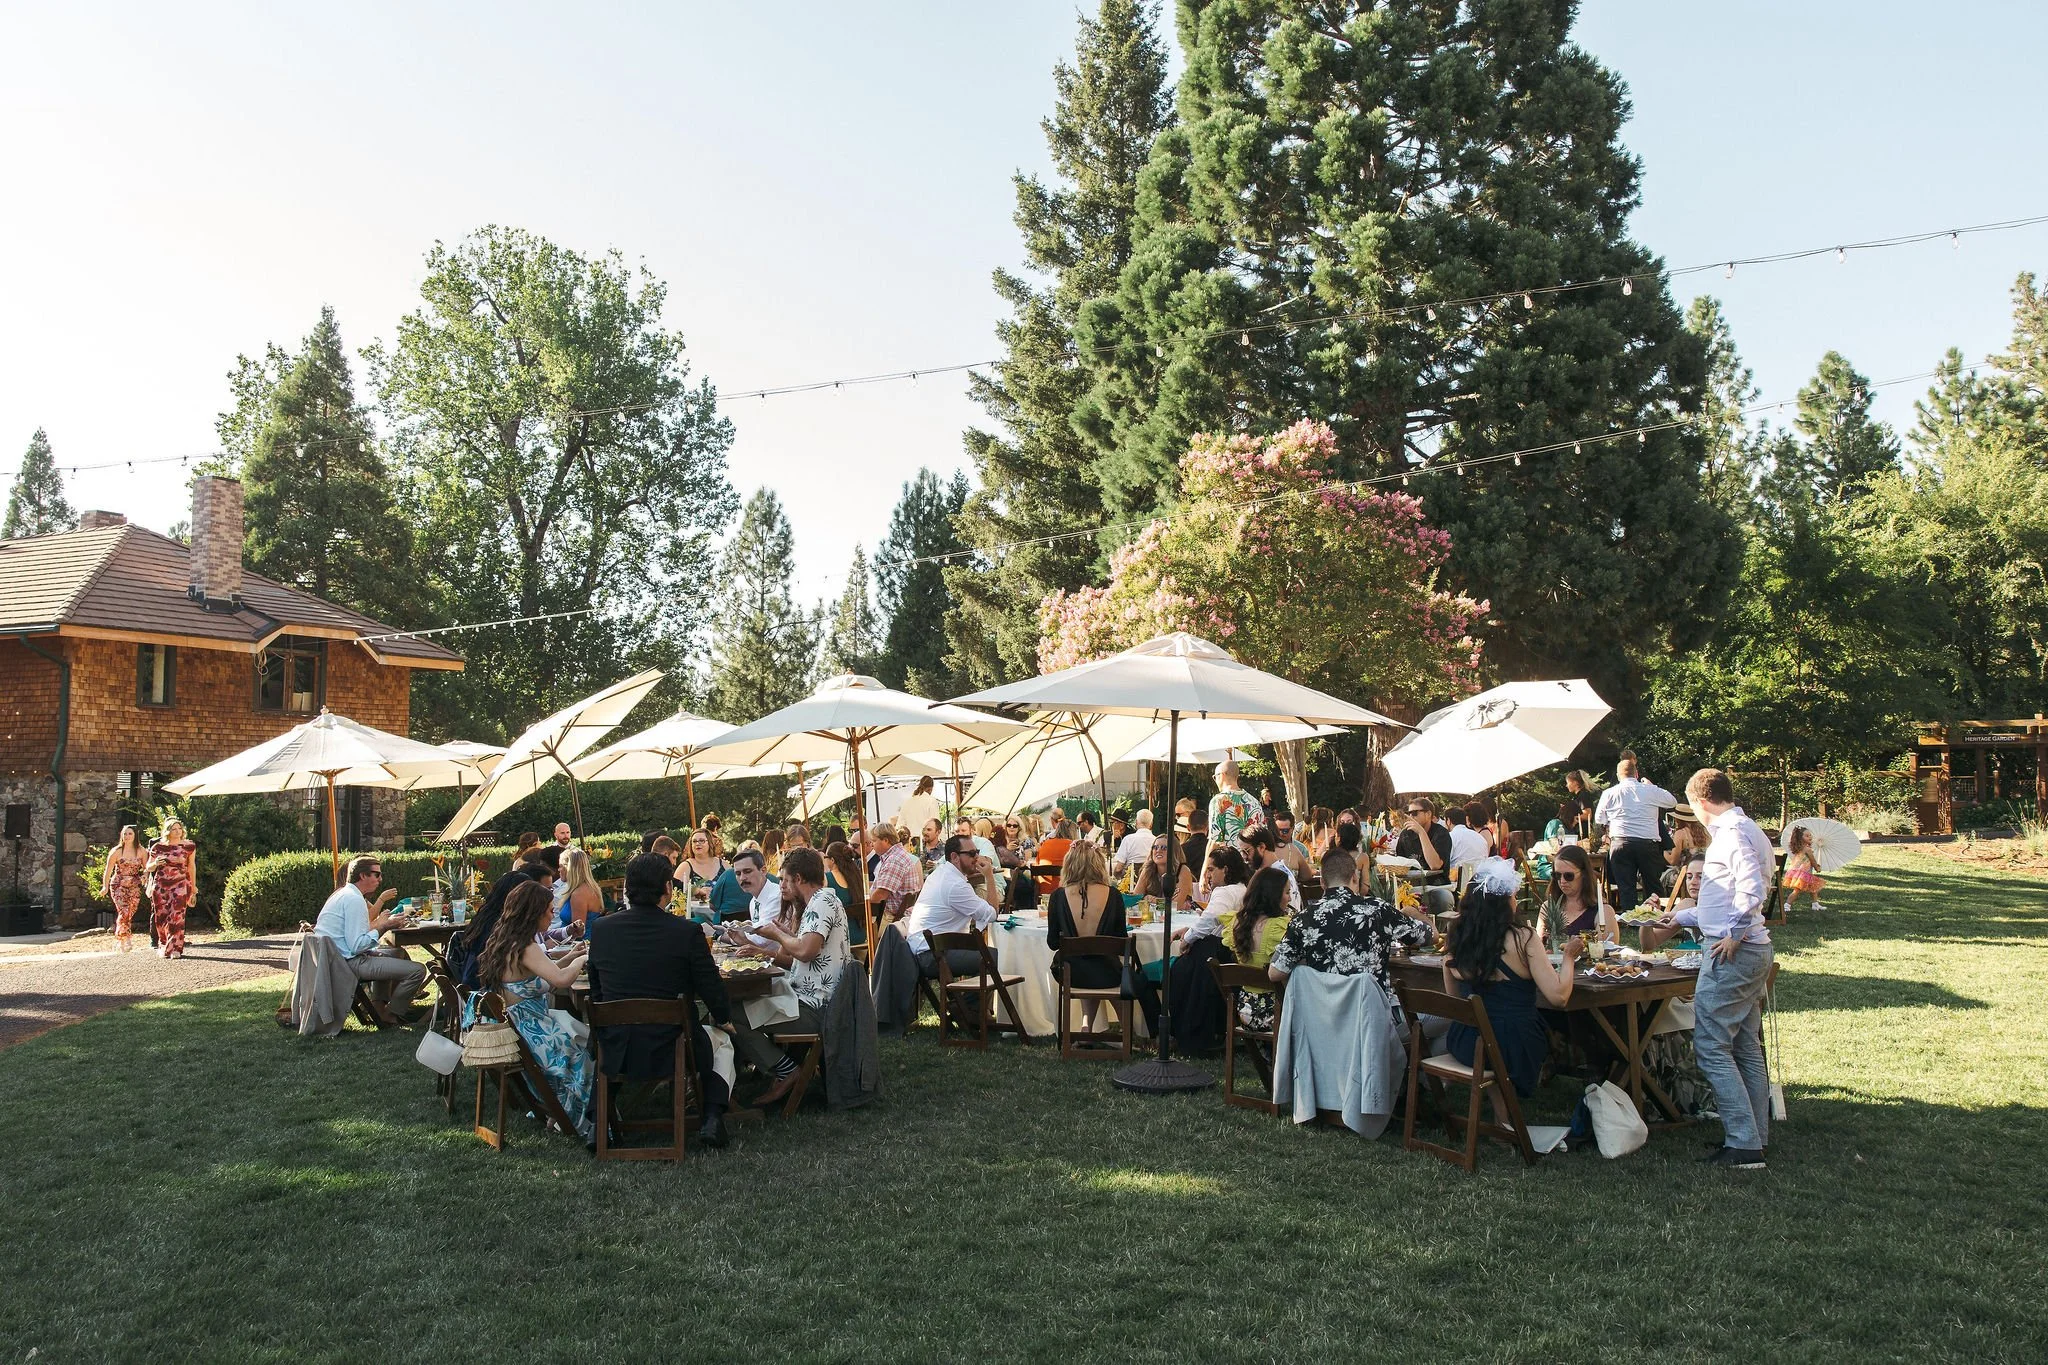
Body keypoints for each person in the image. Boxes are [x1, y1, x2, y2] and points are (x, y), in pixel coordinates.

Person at [1654, 768, 1776, 1169]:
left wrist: (1736, 932)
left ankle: (1743, 1142)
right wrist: (1679, 920)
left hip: (1734, 952)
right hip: (1746, 947)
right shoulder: (1749, 828)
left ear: (1700, 802)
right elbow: (1725, 898)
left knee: (1709, 1045)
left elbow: (1751, 889)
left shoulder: (1732, 833)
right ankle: (1755, 1135)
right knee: (1742, 1044)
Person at [587, 852, 736, 1149]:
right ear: (668, 887)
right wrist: (723, 1017)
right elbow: (710, 987)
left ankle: (598, 1123)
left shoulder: (602, 930)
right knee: (723, 1042)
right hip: (675, 1046)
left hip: (618, 1046)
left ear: (628, 887)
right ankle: (711, 1117)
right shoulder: (686, 932)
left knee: (612, 1045)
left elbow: (597, 988)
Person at [1442, 859, 1581, 1109]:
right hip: (1513, 1045)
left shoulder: (1458, 936)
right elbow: (1559, 997)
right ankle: (1505, 1116)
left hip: (1466, 1041)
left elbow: (1455, 1003)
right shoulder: (1522, 938)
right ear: (1503, 903)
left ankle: (1502, 1115)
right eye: (1513, 897)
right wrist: (1569, 957)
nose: (1516, 902)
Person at [469, 881, 594, 1142]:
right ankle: (570, 1116)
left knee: (580, 1040)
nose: (552, 915)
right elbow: (560, 981)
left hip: (520, 1025)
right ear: (534, 912)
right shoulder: (526, 946)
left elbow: (543, 971)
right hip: (533, 1031)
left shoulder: (508, 940)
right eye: (549, 910)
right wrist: (583, 960)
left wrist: (571, 955)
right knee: (585, 1056)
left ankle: (556, 1112)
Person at [734, 847, 852, 1108]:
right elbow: (801, 959)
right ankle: (780, 1067)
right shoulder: (818, 902)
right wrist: (766, 950)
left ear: (798, 878)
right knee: (738, 1005)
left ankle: (785, 1070)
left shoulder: (821, 902)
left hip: (816, 1009)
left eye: (785, 880)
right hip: (809, 999)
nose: (781, 886)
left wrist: (777, 936)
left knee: (730, 1013)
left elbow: (807, 952)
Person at [1267, 849, 1433, 1027]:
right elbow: (1430, 937)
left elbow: (1274, 972)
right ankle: (1415, 1054)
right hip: (1373, 1022)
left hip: (1325, 1023)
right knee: (1450, 1020)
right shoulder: (1378, 909)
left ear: (1322, 882)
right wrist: (1412, 912)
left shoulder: (1303, 919)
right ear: (1355, 877)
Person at [315, 854, 429, 1020]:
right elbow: (357, 946)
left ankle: (378, 1007)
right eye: (377, 874)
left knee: (396, 953)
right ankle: (391, 1014)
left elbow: (352, 939)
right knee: (418, 970)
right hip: (347, 964)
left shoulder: (343, 894)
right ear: (362, 876)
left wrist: (382, 927)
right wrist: (384, 926)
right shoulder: (354, 899)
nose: (380, 879)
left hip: (336, 959)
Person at [1043, 840, 1128, 1033]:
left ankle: (1086, 1029)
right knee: (1101, 964)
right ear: (1098, 864)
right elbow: (1121, 940)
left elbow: (1052, 942)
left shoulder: (1058, 896)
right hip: (1109, 973)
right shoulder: (1113, 895)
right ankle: (1126, 1029)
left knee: (1084, 962)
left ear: (1069, 863)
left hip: (1072, 974)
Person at [452, 846, 558, 988]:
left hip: (478, 988)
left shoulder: (488, 918)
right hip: (486, 994)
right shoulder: (499, 926)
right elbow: (519, 957)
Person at [897, 835, 999, 980]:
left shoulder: (942, 874)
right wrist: (989, 877)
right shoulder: (955, 884)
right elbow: (992, 914)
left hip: (924, 950)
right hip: (931, 957)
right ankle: (966, 1003)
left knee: (987, 955)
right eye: (971, 853)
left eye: (977, 851)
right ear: (954, 857)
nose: (976, 857)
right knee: (993, 957)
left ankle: (963, 1001)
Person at [1216, 867, 1292, 1030]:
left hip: (1245, 1011)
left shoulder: (1237, 923)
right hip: (1275, 1012)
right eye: (1287, 892)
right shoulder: (1278, 928)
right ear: (1274, 895)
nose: (1290, 898)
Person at [1178, 845, 1250, 948]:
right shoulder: (1243, 889)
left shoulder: (1225, 891)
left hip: (1217, 953)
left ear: (1225, 870)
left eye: (1211, 870)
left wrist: (1187, 939)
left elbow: (1213, 917)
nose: (1207, 875)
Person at [145, 818, 197, 959]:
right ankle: (163, 944)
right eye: (174, 829)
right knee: (161, 917)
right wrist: (155, 863)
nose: (177, 831)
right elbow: (148, 867)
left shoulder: (189, 846)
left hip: (180, 883)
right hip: (161, 884)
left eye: (179, 828)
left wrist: (193, 886)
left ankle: (176, 948)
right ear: (168, 831)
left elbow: (191, 866)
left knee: (177, 915)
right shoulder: (158, 847)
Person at [1541, 844, 1614, 945]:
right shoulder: (1548, 907)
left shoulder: (1603, 911)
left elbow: (1607, 952)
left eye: (1568, 876)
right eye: (1557, 875)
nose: (1562, 881)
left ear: (1584, 874)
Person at [866, 823, 924, 930]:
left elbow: (880, 895)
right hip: (896, 915)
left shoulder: (894, 860)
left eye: (874, 841)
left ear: (886, 840)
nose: (872, 845)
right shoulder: (896, 855)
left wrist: (863, 904)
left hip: (891, 918)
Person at [1236, 824, 1303, 910]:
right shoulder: (1271, 872)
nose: (1244, 857)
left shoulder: (1279, 876)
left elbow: (1288, 913)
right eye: (1242, 852)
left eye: (1246, 851)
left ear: (1261, 847)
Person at [1393, 797, 1453, 890]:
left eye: (1414, 813)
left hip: (1437, 886)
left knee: (1444, 899)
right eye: (1408, 813)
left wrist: (1421, 833)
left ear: (1428, 814)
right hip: (1411, 887)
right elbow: (1400, 864)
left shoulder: (1441, 833)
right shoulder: (1406, 835)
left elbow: (1435, 865)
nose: (1410, 817)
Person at [103, 825, 146, 953]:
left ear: (135, 836)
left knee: (131, 911)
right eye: (125, 834)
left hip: (134, 884)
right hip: (118, 884)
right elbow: (108, 870)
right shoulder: (116, 851)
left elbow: (146, 868)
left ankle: (120, 938)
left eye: (130, 834)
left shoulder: (141, 851)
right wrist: (105, 886)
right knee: (124, 911)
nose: (127, 836)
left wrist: (145, 876)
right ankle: (125, 938)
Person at [1133, 831, 1194, 914]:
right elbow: (1135, 899)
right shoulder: (1148, 869)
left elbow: (1175, 906)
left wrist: (1151, 899)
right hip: (1153, 918)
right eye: (1155, 847)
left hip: (1178, 920)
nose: (1158, 850)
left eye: (1164, 848)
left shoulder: (1183, 870)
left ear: (1174, 851)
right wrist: (1164, 902)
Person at [1208, 759, 1265, 845]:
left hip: (1229, 857)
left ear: (1222, 775)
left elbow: (1215, 840)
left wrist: (1207, 858)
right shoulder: (1254, 801)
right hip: (1252, 856)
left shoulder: (1218, 801)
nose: (1215, 780)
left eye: (1215, 777)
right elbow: (1263, 833)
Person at [553, 847, 604, 938]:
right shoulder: (586, 888)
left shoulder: (579, 894)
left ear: (568, 868)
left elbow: (577, 933)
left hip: (578, 946)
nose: (558, 870)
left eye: (560, 866)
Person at [1781, 825, 1824, 913]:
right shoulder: (1807, 849)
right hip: (1803, 873)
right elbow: (1812, 860)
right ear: (1800, 838)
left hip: (1799, 871)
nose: (1810, 837)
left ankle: (1815, 904)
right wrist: (1817, 867)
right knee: (1797, 890)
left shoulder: (1800, 848)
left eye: (1810, 835)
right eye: (1807, 836)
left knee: (1813, 888)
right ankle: (1787, 904)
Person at [896, 777, 942, 847]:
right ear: (931, 789)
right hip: (926, 843)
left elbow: (900, 826)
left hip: (909, 843)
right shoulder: (931, 801)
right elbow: (936, 825)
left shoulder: (907, 802)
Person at [1111, 808, 1156, 880]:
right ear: (1151, 824)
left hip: (1131, 882)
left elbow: (1118, 868)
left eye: (1112, 822)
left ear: (1136, 822)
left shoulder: (1128, 839)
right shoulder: (1156, 841)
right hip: (1151, 881)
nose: (1111, 825)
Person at [1443, 806, 1489, 874]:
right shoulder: (1479, 837)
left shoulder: (1450, 837)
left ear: (1448, 821)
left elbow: (1443, 863)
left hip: (1458, 880)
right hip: (1480, 878)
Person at [1270, 810, 1312, 883]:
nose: (1280, 834)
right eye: (1277, 830)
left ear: (1292, 829)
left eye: (1285, 831)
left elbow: (1306, 875)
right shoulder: (1269, 848)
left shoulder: (1301, 849)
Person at [1179, 806, 1210, 881]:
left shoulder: (1181, 849)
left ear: (1188, 827)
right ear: (1208, 827)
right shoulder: (1211, 848)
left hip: (1186, 885)